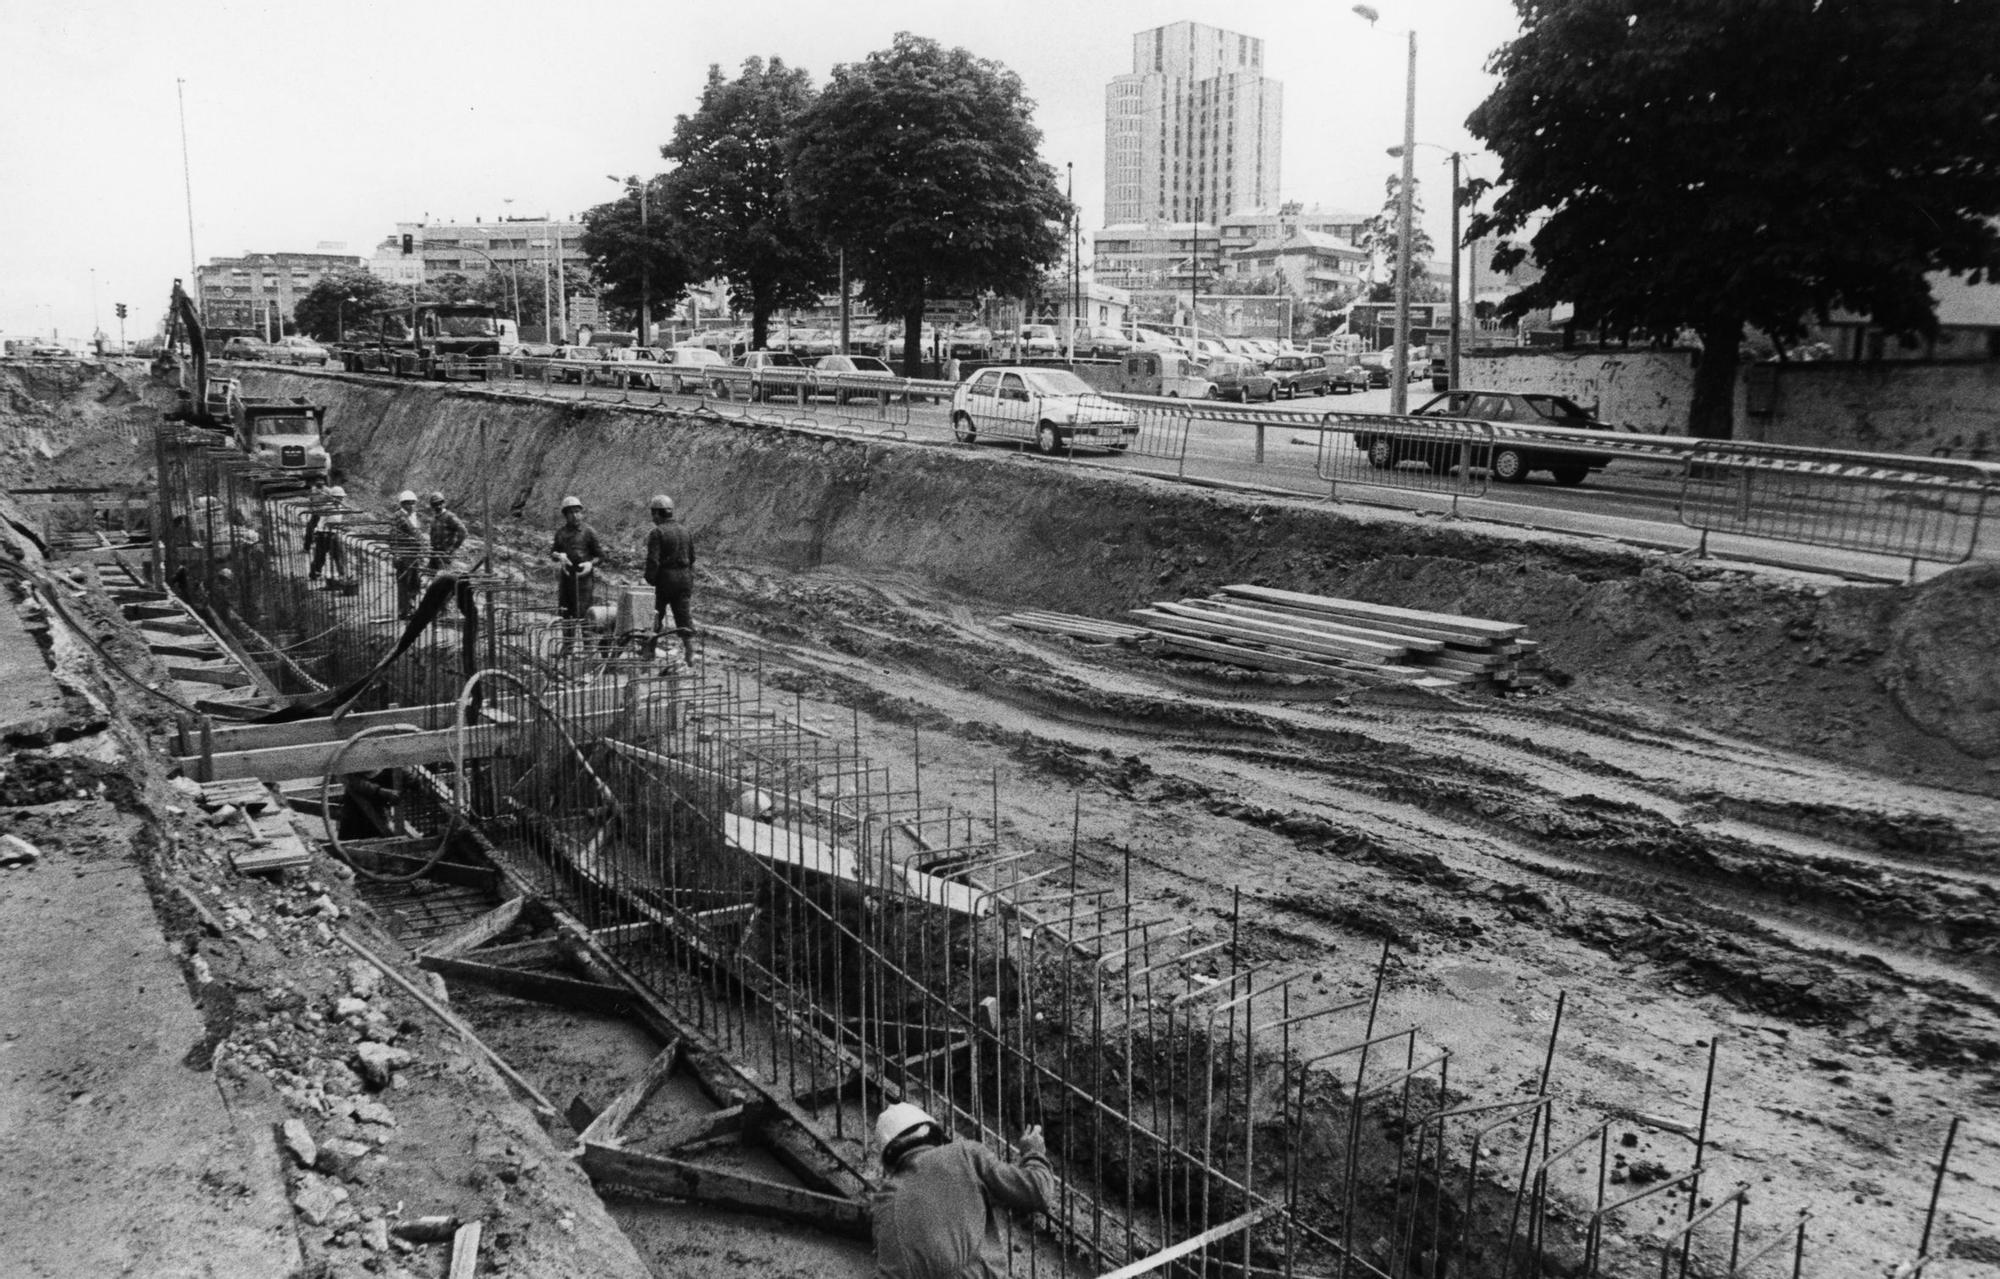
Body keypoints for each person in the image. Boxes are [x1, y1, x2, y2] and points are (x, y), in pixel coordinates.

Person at [870, 1103, 1051, 1279]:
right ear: (934, 1132)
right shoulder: (964, 1154)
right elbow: (1038, 1190)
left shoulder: (884, 1201)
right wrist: (1034, 1153)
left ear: (889, 1160)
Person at [643, 493, 696, 669]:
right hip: (685, 579)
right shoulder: (685, 531)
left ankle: (649, 652)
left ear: (657, 513)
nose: (653, 518)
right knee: (683, 615)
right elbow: (692, 557)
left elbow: (653, 561)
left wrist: (649, 580)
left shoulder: (657, 533)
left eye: (653, 514)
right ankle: (690, 653)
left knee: (654, 615)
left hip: (665, 580)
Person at [550, 495, 602, 627]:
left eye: (577, 512)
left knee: (585, 616)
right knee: (566, 615)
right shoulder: (560, 533)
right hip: (566, 580)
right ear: (565, 515)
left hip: (584, 582)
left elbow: (601, 556)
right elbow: (553, 553)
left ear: (582, 513)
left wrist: (590, 563)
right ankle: (568, 646)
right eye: (571, 513)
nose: (575, 516)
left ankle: (587, 646)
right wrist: (559, 556)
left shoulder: (589, 532)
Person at [389, 489, 424, 618]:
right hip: (404, 555)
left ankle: (411, 607)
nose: (411, 506)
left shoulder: (414, 516)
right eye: (408, 503)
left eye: (413, 503)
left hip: (415, 555)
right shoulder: (398, 516)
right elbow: (393, 537)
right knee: (404, 583)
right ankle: (404, 611)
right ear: (402, 504)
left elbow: (417, 534)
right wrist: (396, 554)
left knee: (415, 582)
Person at [426, 490, 467, 574]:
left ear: (443, 503)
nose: (438, 506)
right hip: (434, 554)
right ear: (432, 506)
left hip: (445, 555)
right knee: (432, 579)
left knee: (444, 579)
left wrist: (454, 547)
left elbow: (463, 531)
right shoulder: (434, 519)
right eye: (435, 504)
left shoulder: (449, 516)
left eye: (439, 503)